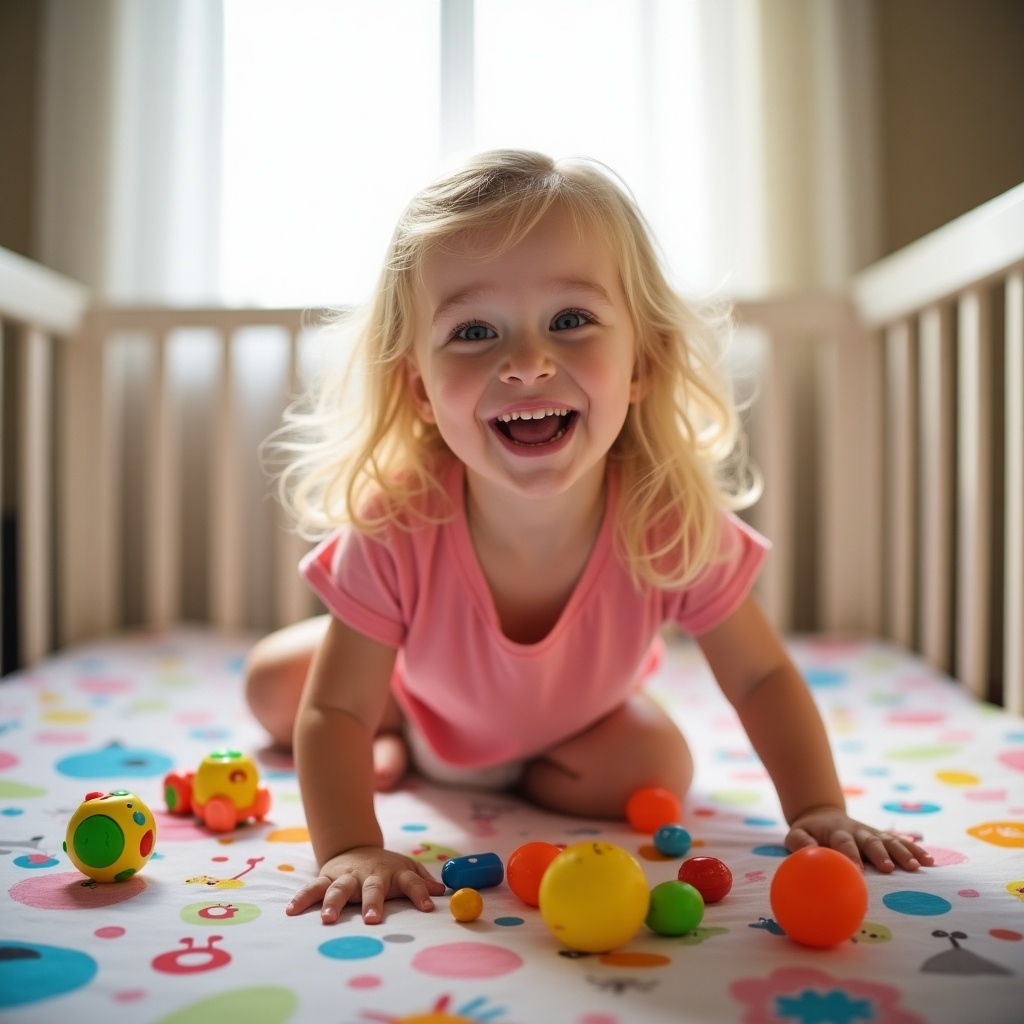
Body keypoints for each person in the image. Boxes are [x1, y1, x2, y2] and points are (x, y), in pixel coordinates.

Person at [245, 149, 932, 926]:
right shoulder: (398, 522)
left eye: (571, 321)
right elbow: (334, 710)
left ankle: (513, 766)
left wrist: (818, 805)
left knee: (658, 766)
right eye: (473, 330)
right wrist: (350, 847)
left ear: (640, 362)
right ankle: (395, 734)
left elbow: (761, 678)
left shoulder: (665, 517)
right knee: (278, 685)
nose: (528, 362)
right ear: (421, 390)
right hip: (414, 694)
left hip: (576, 726)